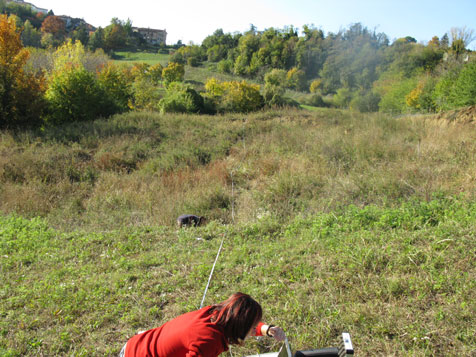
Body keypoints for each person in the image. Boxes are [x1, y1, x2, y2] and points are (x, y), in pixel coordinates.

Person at [120, 292, 286, 357]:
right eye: (253, 325)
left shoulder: (212, 314)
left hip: (137, 343)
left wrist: (267, 329)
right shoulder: (209, 341)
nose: (254, 328)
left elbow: (237, 323)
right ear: (241, 325)